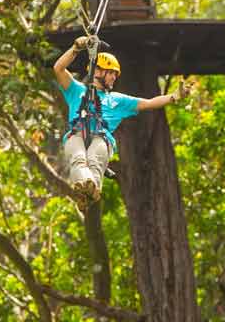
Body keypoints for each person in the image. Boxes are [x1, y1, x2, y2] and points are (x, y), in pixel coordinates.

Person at [54, 36, 190, 208]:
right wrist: (75, 48)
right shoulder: (76, 90)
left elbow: (147, 103)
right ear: (96, 72)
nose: (113, 78)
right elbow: (59, 69)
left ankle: (92, 188)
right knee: (78, 158)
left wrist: (174, 97)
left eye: (115, 74)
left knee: (94, 161)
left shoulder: (117, 100)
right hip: (77, 133)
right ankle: (84, 188)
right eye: (110, 73)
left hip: (101, 138)